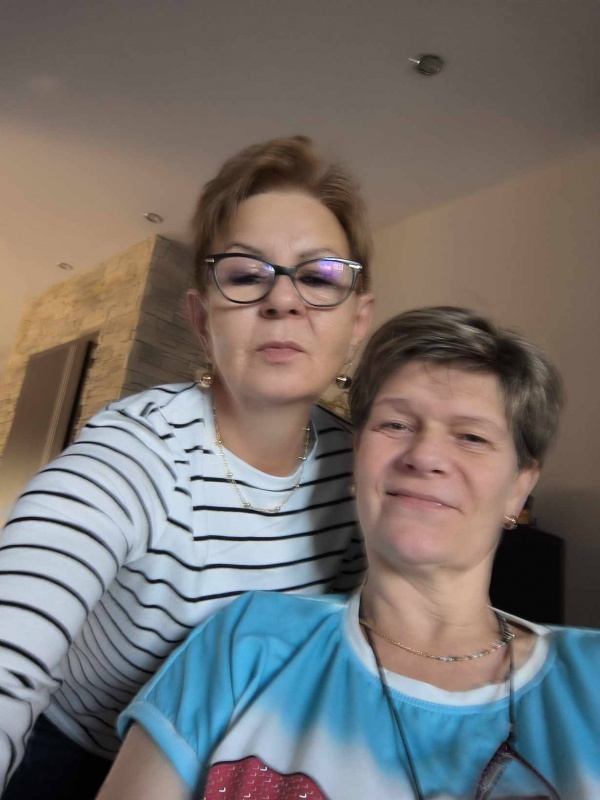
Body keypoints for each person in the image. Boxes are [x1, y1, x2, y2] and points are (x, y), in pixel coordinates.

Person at [0, 135, 374, 798]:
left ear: (357, 322)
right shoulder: (134, 453)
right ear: (202, 320)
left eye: (318, 277)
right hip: (76, 752)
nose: (283, 300)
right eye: (246, 274)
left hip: (237, 766)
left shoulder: (367, 474)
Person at [99, 307, 600, 800]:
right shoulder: (247, 641)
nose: (424, 456)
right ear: (358, 458)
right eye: (396, 425)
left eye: (471, 437)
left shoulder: (590, 676)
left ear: (519, 487)